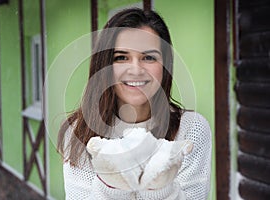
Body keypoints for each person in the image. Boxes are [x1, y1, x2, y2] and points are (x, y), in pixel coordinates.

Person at [58, 8, 212, 200]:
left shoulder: (191, 129)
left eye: (148, 57)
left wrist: (160, 188)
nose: (136, 70)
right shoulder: (79, 131)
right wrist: (112, 185)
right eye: (121, 57)